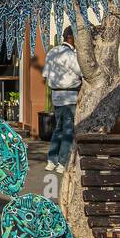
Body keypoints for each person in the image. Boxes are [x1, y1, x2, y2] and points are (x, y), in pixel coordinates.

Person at [42, 27, 82, 173]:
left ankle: (51, 160)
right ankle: (62, 162)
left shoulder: (52, 52)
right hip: (70, 95)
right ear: (71, 38)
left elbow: (46, 74)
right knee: (68, 129)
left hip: (56, 95)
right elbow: (82, 72)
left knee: (57, 128)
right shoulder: (72, 55)